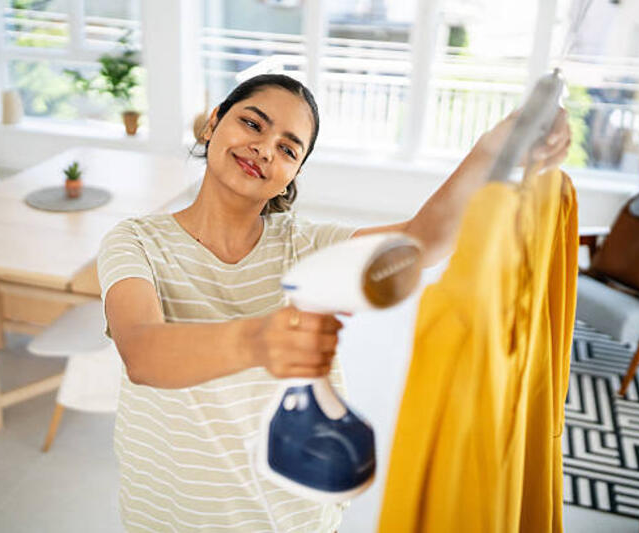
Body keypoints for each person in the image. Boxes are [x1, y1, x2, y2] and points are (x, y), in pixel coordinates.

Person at [98, 74, 571, 532]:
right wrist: (259, 339)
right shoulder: (136, 241)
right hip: (172, 515)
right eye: (252, 123)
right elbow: (142, 352)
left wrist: (496, 146)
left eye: (287, 149)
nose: (264, 148)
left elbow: (420, 243)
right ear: (213, 123)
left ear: (291, 178)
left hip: (294, 517)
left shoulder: (306, 245)